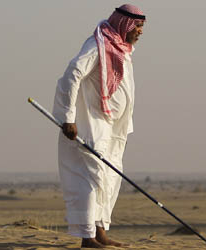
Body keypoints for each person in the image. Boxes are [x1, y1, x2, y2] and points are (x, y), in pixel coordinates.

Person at [52, 4, 145, 248]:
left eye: (142, 26)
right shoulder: (98, 44)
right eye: (137, 25)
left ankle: (101, 232)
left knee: (109, 178)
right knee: (91, 178)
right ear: (125, 24)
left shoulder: (123, 50)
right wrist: (68, 117)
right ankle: (87, 237)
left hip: (115, 128)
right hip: (91, 124)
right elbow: (72, 73)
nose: (140, 31)